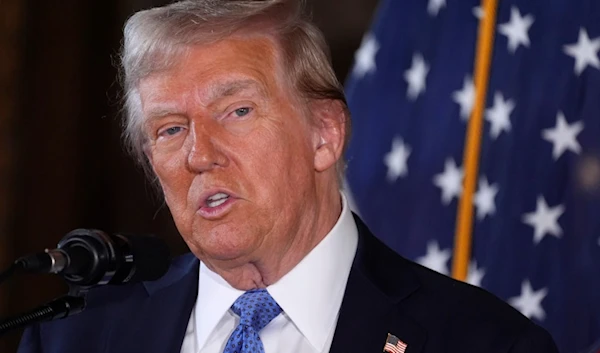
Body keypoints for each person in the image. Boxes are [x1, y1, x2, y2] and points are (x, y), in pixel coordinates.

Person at [17, 0, 559, 352]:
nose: (199, 155)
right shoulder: (71, 336)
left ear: (325, 134)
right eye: (170, 129)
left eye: (238, 111)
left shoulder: (484, 342)